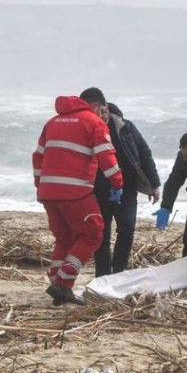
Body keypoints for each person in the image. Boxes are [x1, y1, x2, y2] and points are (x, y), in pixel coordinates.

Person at [33, 95, 124, 306]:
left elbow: (37, 157)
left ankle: (57, 280)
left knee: (64, 238)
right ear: (95, 105)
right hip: (75, 192)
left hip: (48, 191)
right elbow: (106, 156)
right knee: (94, 233)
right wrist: (117, 184)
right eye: (102, 109)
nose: (103, 114)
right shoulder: (93, 122)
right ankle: (64, 283)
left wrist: (40, 183)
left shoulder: (52, 122)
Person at [82, 88, 161, 277]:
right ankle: (102, 275)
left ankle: (118, 272)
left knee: (126, 229)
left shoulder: (125, 127)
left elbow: (144, 153)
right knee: (101, 234)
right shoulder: (86, 128)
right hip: (97, 189)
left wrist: (155, 184)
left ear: (104, 108)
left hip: (126, 187)